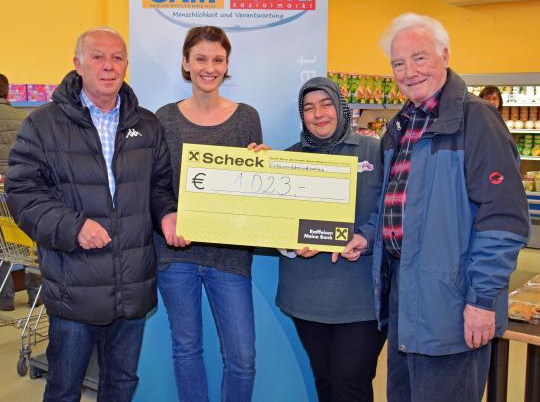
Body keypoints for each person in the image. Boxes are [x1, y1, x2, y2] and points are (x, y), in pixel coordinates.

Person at [340, 13, 529, 402]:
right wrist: (369, 235)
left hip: (454, 301)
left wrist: (481, 299)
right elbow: (395, 203)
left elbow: (503, 220)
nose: (409, 71)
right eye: (398, 63)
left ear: (445, 55)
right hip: (405, 297)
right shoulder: (401, 126)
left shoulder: (477, 121)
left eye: (420, 58)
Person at [5, 27, 182, 402]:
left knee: (120, 385)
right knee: (65, 388)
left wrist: (167, 213)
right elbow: (22, 193)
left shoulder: (146, 125)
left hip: (132, 285)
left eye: (117, 58)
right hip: (74, 286)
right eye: (98, 57)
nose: (108, 66)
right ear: (77, 64)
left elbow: (158, 188)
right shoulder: (42, 124)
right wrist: (73, 227)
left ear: (126, 66)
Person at [154, 26, 262, 402]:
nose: (209, 67)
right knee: (186, 349)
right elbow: (157, 184)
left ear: (227, 64)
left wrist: (262, 168)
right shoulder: (163, 118)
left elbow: (253, 191)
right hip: (177, 254)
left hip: (229, 256)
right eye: (200, 58)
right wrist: (168, 216)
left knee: (242, 359)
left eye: (218, 59)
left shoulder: (246, 117)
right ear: (186, 63)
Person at [275, 77, 386, 402]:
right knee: (325, 381)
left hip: (362, 298)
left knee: (350, 383)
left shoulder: (375, 150)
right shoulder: (289, 158)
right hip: (307, 297)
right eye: (309, 108)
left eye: (326, 104)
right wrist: (290, 244)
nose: (318, 114)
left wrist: (365, 237)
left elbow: (393, 208)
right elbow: (274, 219)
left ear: (341, 107)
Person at [0, 73, 40, 311]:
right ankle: (36, 293)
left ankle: (5, 299)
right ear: (7, 92)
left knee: (3, 246)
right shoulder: (25, 118)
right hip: (19, 190)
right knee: (28, 242)